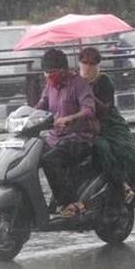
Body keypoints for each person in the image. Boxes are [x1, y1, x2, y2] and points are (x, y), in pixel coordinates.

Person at [78, 47, 135, 203]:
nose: (87, 67)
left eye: (92, 64)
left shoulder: (104, 81)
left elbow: (105, 108)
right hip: (84, 127)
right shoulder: (75, 82)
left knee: (128, 153)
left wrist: (89, 93)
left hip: (110, 124)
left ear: (97, 65)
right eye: (84, 63)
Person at [35, 48, 100, 218]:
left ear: (63, 70)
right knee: (32, 155)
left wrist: (70, 118)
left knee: (50, 160)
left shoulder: (79, 84)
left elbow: (88, 110)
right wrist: (25, 115)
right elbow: (41, 104)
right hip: (54, 139)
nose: (49, 76)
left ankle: (67, 202)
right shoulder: (50, 86)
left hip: (78, 139)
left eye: (52, 72)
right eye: (46, 73)